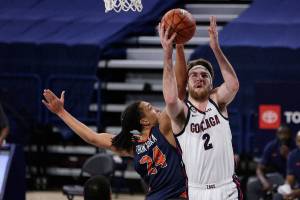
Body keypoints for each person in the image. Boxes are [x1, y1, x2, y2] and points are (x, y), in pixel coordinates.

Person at [42, 41, 188, 200]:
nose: (158, 109)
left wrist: (178, 48)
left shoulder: (157, 133)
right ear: (144, 122)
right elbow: (92, 137)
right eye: (151, 108)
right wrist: (61, 113)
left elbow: (179, 88)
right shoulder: (138, 141)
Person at [160, 16, 242, 200]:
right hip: (198, 191)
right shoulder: (182, 113)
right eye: (194, 75)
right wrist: (167, 55)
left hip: (227, 187)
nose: (199, 78)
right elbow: (171, 99)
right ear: (187, 85)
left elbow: (233, 85)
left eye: (205, 75)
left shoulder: (218, 103)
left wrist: (216, 49)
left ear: (212, 84)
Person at [247, 125, 296, 200]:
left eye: (285, 133)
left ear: (290, 135)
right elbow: (259, 169)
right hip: (274, 177)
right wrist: (264, 182)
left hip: (290, 179)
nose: (283, 136)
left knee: (278, 193)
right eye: (280, 133)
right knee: (251, 186)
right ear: (277, 134)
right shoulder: (272, 146)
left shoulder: (295, 147)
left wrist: (288, 156)